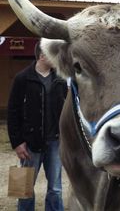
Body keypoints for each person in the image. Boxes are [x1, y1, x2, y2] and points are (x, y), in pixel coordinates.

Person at [7, 41, 67, 211]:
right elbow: (13, 112)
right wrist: (17, 142)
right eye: (53, 54)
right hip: (29, 144)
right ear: (42, 55)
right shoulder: (22, 78)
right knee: (25, 187)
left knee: (55, 188)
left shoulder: (60, 79)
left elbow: (67, 110)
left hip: (55, 143)